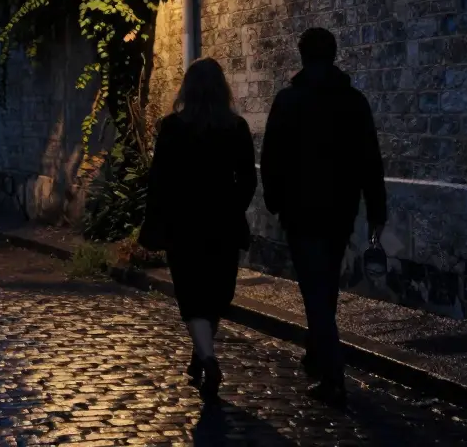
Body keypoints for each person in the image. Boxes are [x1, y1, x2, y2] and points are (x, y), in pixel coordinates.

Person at [259, 28, 387, 408]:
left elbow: (272, 156)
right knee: (324, 285)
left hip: (301, 211)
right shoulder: (353, 102)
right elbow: (370, 160)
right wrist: (376, 208)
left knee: (315, 290)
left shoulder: (288, 101)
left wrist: (275, 199)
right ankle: (317, 355)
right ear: (333, 55)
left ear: (302, 56)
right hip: (339, 211)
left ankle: (332, 374)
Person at [139, 57, 257, 401]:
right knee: (217, 294)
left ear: (186, 89)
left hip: (183, 225)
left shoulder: (172, 128)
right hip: (222, 224)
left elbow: (158, 181)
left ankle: (205, 356)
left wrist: (153, 224)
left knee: (192, 295)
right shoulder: (236, 128)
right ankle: (203, 354)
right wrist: (233, 206)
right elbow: (248, 179)